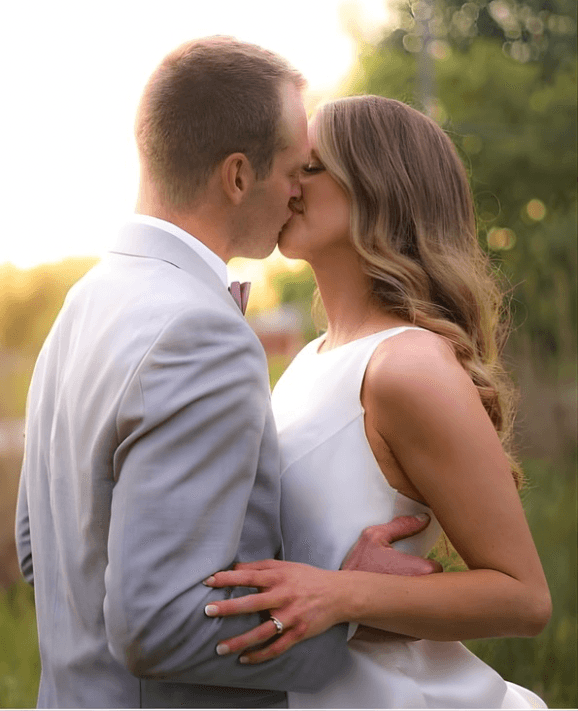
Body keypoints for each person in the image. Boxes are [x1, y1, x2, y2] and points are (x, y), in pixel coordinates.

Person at [15, 40, 438, 709]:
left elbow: (38, 550)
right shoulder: (201, 331)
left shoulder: (84, 303)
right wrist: (342, 600)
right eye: (297, 170)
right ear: (239, 176)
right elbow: (158, 629)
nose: (301, 191)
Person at [201, 95, 552, 708]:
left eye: (310, 167)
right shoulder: (305, 362)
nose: (287, 183)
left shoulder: (406, 365)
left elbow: (524, 597)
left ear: (378, 188)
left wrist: (344, 595)